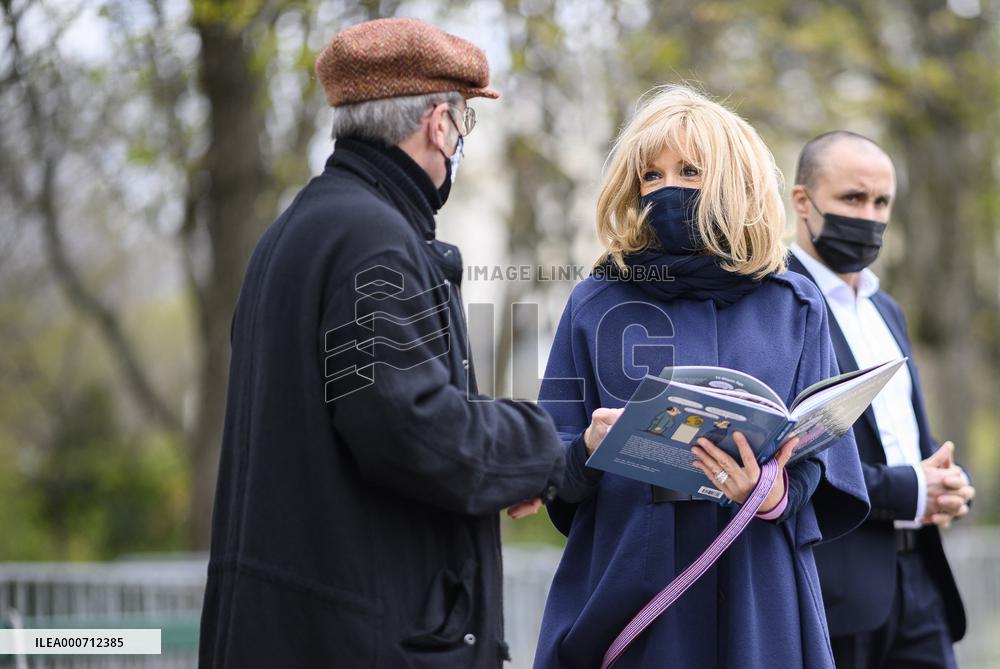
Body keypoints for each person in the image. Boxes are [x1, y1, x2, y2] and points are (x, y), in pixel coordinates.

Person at [197, 18, 567, 668]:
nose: (460, 142)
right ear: (438, 123)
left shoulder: (293, 234)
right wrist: (549, 449)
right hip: (356, 642)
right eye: (464, 125)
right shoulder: (374, 243)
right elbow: (409, 427)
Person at [532, 85, 869, 669]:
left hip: (757, 597)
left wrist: (769, 493)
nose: (667, 188)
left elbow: (821, 460)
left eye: (690, 169)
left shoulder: (795, 304)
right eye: (651, 175)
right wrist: (589, 448)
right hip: (627, 589)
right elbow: (548, 467)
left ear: (732, 182)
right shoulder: (594, 302)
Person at [787, 130, 974, 669]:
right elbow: (793, 454)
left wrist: (947, 483)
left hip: (924, 587)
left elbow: (909, 440)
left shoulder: (886, 309)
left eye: (881, 202)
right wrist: (911, 488)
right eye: (852, 199)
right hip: (837, 596)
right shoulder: (779, 307)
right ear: (803, 201)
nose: (868, 216)